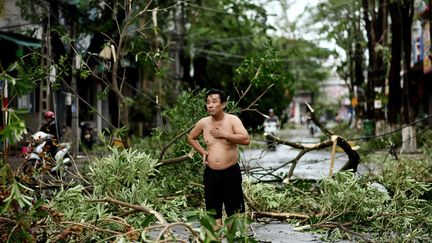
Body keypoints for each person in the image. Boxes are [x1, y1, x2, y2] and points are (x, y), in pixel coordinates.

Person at [187, 89, 250, 227]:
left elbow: (246, 139)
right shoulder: (203, 123)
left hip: (231, 173)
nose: (210, 105)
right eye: (208, 102)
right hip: (211, 174)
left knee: (234, 214)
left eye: (214, 102)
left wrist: (225, 135)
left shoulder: (233, 120)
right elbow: (191, 137)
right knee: (213, 213)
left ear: (223, 104)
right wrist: (202, 152)